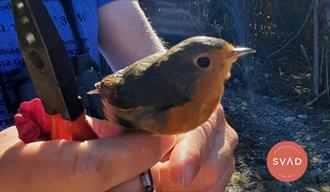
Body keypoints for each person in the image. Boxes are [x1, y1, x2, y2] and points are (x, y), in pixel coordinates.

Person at [0, 0, 238, 191]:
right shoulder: (144, 94)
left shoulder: (192, 85)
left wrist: (200, 143)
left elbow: (157, 60)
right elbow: (122, 85)